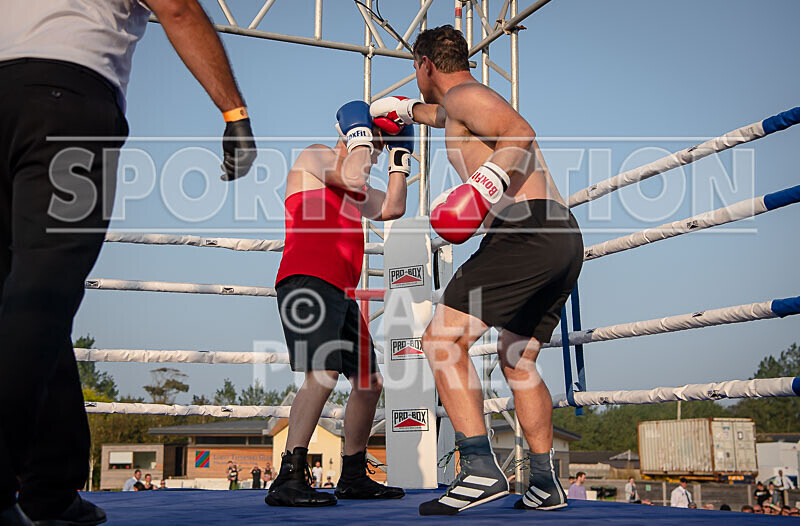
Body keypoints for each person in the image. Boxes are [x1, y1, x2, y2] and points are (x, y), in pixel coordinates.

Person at [0, 1, 257, 524]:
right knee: (41, 295)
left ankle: (50, 487)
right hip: (65, 99)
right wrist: (234, 113)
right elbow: (177, 8)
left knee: (26, 301)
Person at [370, 24, 582, 516]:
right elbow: (437, 112)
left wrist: (484, 184)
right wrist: (401, 111)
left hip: (526, 232)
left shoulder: (467, 95)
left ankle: (480, 469)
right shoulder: (459, 103)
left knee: (442, 341)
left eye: (415, 70)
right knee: (518, 359)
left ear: (424, 65)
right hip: (560, 235)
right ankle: (545, 482)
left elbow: (521, 134)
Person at [265, 101, 410, 508]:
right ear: (349, 135)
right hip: (308, 280)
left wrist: (400, 160)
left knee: (369, 383)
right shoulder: (315, 156)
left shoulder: (355, 186)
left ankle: (352, 474)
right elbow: (351, 173)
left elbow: (393, 207)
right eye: (371, 146)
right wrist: (361, 138)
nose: (373, 156)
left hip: (341, 292)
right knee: (324, 371)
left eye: (378, 152)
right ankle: (289, 476)